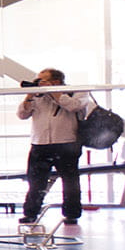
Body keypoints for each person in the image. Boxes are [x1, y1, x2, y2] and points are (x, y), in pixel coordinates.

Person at [16, 67, 95, 232]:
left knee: (70, 182)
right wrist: (30, 96)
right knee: (36, 181)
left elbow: (74, 107)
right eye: (38, 80)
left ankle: (71, 214)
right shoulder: (38, 97)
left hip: (66, 143)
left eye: (43, 80)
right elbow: (22, 115)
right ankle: (31, 213)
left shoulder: (75, 92)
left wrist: (54, 93)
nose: (39, 83)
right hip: (40, 144)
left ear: (56, 81)